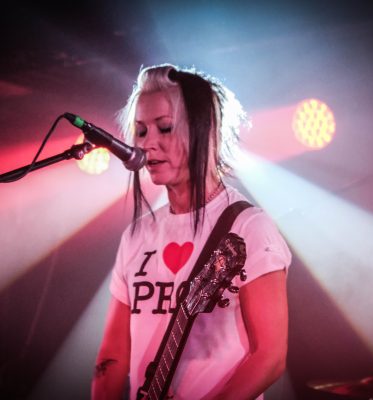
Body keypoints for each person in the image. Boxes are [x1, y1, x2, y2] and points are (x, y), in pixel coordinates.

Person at [92, 63, 291, 400]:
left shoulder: (247, 227)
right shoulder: (137, 235)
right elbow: (113, 354)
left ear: (204, 131)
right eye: (141, 131)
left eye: (165, 128)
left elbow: (269, 358)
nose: (148, 144)